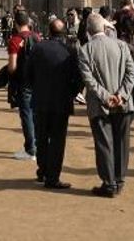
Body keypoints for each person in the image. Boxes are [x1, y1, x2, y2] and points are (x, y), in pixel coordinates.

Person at [78, 13, 134, 198]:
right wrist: (121, 95)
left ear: (88, 31)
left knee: (104, 143)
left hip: (100, 105)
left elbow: (89, 81)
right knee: (122, 142)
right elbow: (131, 74)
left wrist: (106, 97)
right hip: (123, 104)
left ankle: (109, 182)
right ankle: (119, 180)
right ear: (104, 28)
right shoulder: (121, 45)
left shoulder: (85, 50)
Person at [28, 18, 83, 189]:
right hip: (62, 102)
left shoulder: (38, 48)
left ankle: (43, 171)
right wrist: (72, 93)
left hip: (40, 100)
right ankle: (53, 177)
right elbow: (79, 77)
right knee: (58, 141)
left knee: (42, 138)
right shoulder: (70, 50)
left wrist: (36, 89)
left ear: (49, 31)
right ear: (64, 32)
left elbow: (28, 73)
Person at [7, 11, 40, 160]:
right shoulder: (36, 37)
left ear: (15, 24)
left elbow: (12, 67)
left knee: (26, 115)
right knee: (35, 115)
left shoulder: (15, 40)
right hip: (37, 80)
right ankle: (37, 146)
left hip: (22, 81)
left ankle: (30, 149)